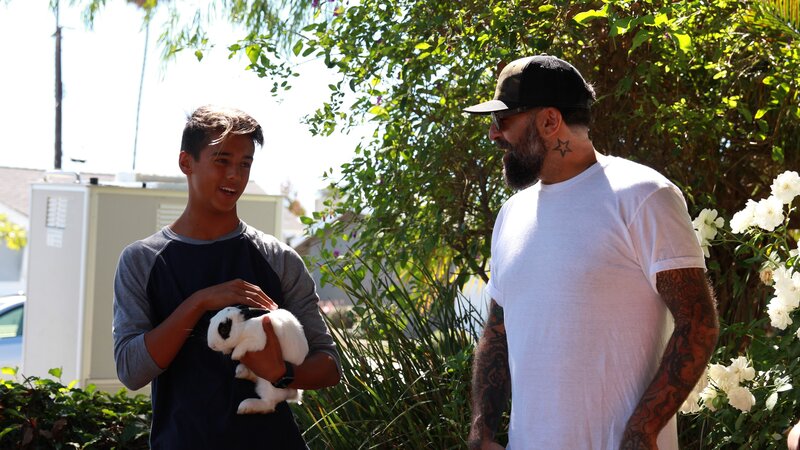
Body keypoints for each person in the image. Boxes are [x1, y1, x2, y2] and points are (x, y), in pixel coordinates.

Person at [463, 55, 719, 449]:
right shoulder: (510, 215)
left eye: (503, 120)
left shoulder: (644, 196)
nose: (495, 134)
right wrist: (482, 432)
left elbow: (698, 321)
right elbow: (497, 331)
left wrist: (641, 431)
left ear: (550, 121)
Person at [112, 105, 341, 449]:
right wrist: (199, 302)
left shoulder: (278, 259)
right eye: (222, 160)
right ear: (186, 162)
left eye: (245, 164)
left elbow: (328, 365)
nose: (235, 175)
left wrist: (281, 373)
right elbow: (131, 371)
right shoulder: (142, 261)